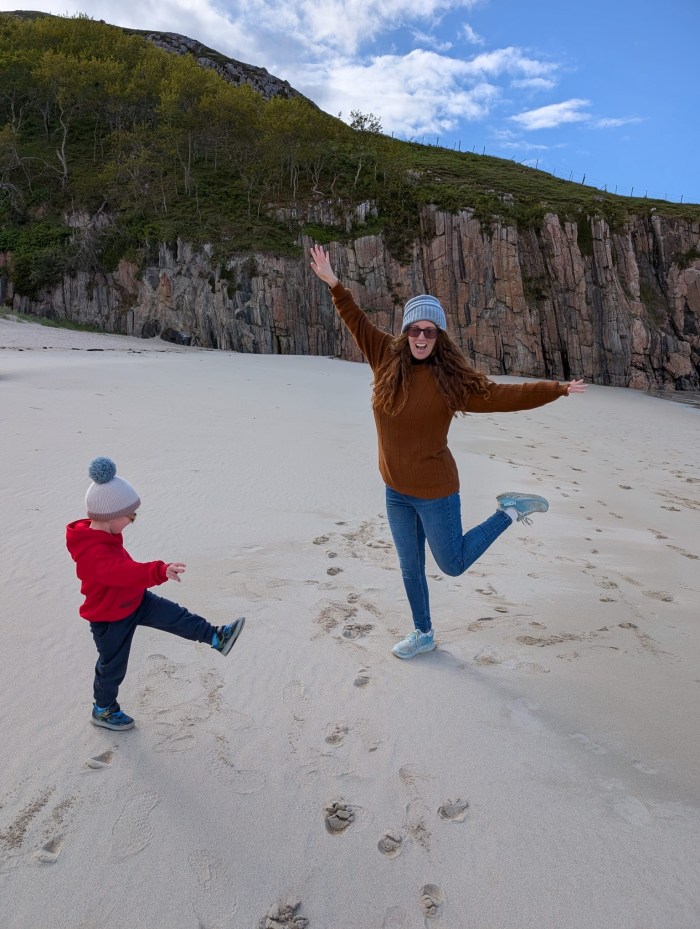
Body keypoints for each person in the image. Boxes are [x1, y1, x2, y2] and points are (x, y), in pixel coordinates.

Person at [309, 244, 586, 660]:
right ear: (405, 332)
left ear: (439, 336)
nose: (421, 338)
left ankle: (509, 510)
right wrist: (333, 282)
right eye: (415, 330)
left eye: (430, 331)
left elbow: (504, 396)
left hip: (436, 491)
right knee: (409, 567)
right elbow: (354, 318)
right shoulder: (384, 355)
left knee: (452, 564)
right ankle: (423, 633)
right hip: (395, 491)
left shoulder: (451, 383)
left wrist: (556, 389)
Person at [66, 456, 245, 730]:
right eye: (131, 516)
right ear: (111, 516)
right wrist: (159, 571)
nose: (132, 520)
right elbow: (122, 571)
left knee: (176, 616)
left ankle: (216, 637)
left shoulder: (107, 534)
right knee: (112, 667)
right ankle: (102, 710)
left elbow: (125, 573)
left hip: (134, 599)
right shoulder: (92, 552)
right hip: (109, 617)